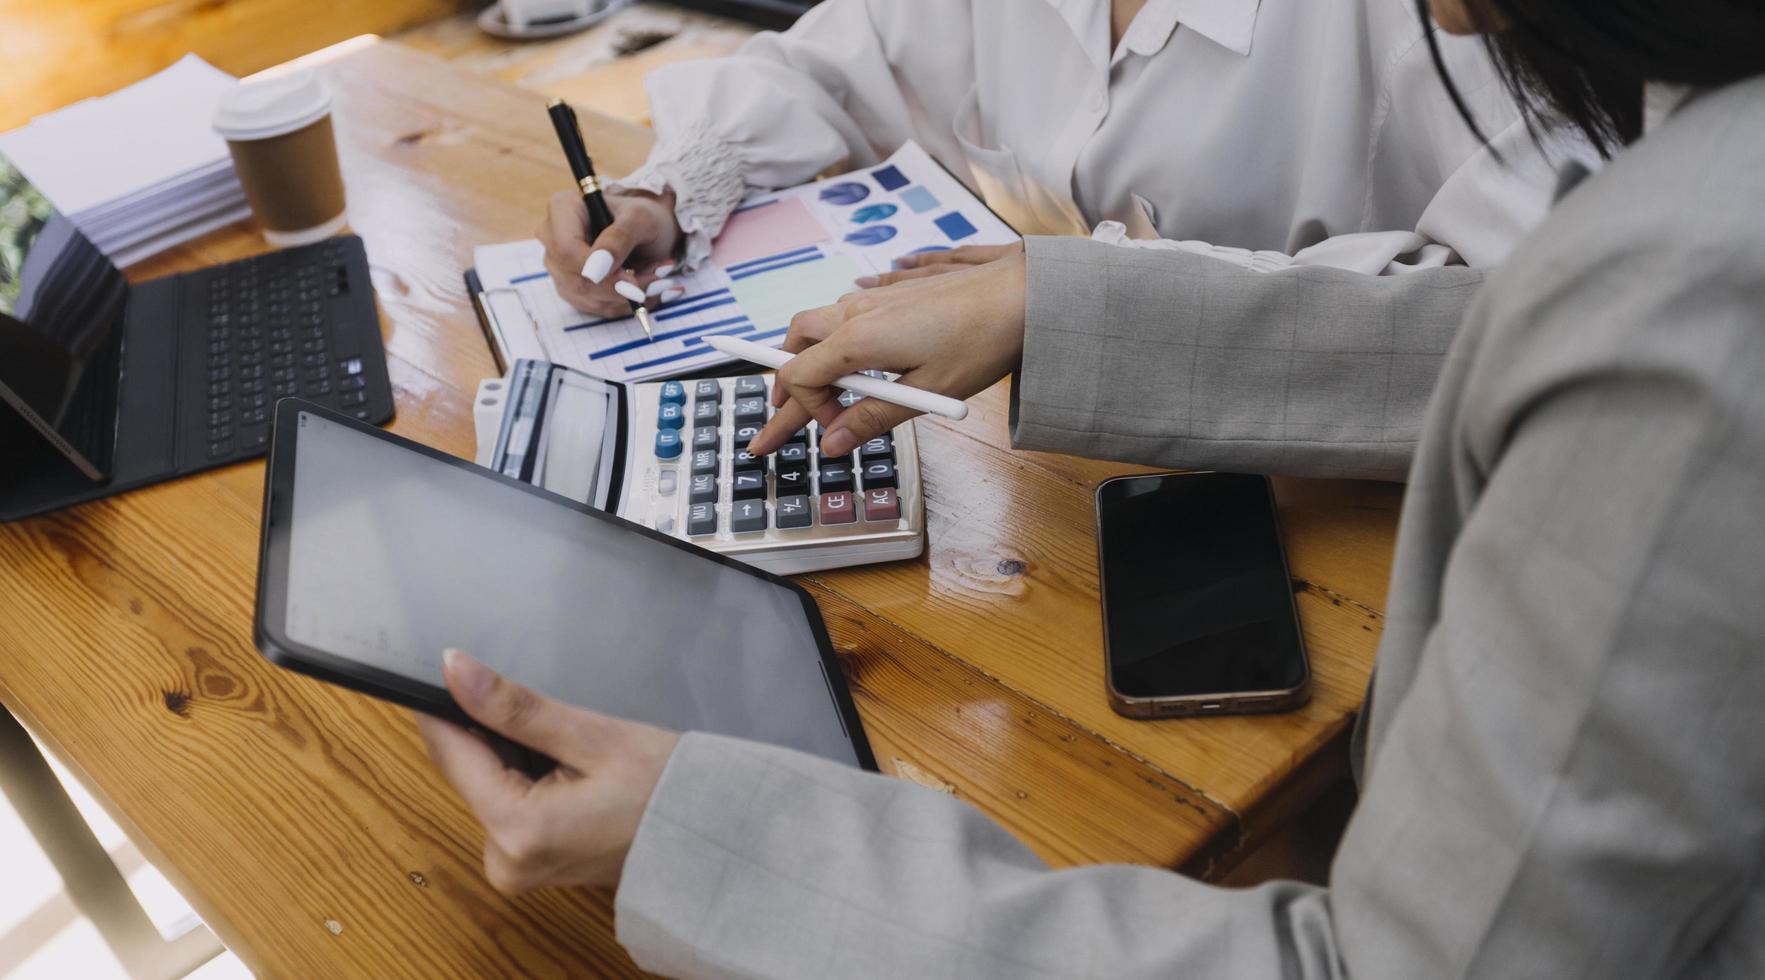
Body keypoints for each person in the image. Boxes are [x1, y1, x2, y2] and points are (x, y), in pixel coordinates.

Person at [422, 1, 1765, 976]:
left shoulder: (1671, 293)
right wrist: (674, 177)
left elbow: (1485, 305)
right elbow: (856, 49)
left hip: (1361, 542)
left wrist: (715, 841)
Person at [540, 0, 1566, 404]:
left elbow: (1519, 312)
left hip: (1353, 504)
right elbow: (838, 58)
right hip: (1086, 478)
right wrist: (666, 188)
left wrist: (1075, 301)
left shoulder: (1446, 18)